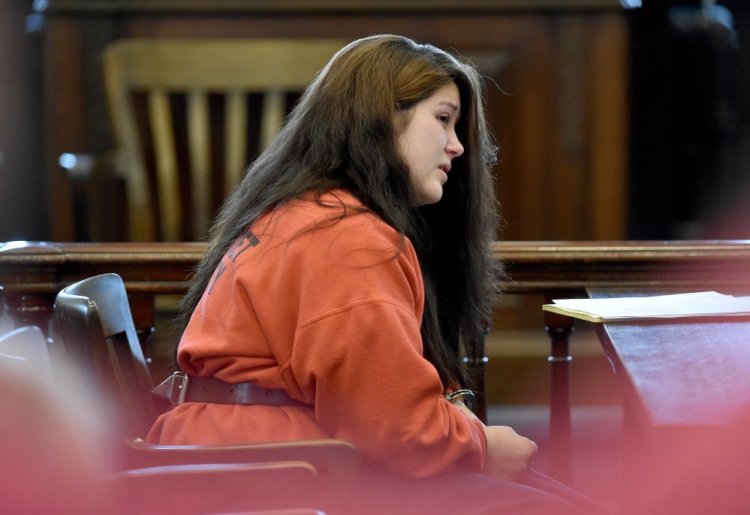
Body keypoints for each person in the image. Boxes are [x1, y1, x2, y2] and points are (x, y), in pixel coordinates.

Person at [147, 34, 603, 514]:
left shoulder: (313, 213)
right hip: (273, 470)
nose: (458, 146)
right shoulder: (345, 237)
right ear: (381, 120)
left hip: (259, 457)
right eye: (444, 120)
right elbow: (396, 429)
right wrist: (482, 446)